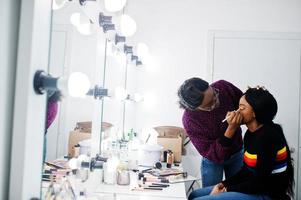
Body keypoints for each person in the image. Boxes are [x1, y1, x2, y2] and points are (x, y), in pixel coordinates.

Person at [188, 86, 294, 200]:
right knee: (194, 195)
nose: (236, 111)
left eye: (242, 108)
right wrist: (223, 184)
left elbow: (260, 182)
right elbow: (246, 171)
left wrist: (227, 189)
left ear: (255, 112)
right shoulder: (250, 134)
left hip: (266, 193)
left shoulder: (268, 137)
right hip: (254, 186)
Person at [178, 78, 243, 187]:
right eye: (210, 105)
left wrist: (254, 95)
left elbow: (244, 104)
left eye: (214, 94)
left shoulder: (223, 87)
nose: (216, 102)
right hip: (213, 161)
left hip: (237, 152)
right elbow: (213, 154)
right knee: (211, 195)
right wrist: (231, 128)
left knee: (238, 190)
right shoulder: (190, 120)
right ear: (194, 108)